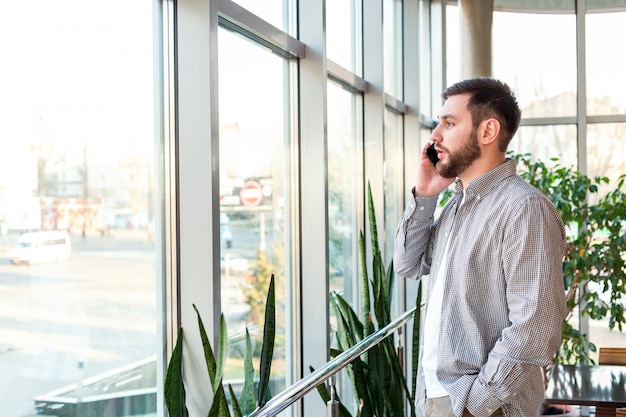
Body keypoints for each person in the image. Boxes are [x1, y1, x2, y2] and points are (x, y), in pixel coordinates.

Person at [393, 77, 567, 417]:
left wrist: (477, 405)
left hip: (482, 406)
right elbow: (408, 264)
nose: (435, 136)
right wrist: (426, 195)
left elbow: (535, 326)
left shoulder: (524, 208)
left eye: (449, 123)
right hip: (437, 396)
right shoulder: (455, 207)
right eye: (438, 122)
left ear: (487, 132)